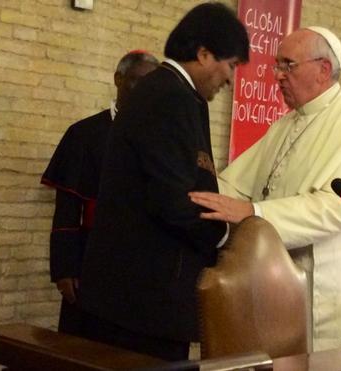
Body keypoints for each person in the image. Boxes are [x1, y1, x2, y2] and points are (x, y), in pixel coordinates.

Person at [189, 27, 341, 351]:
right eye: (276, 66)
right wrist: (196, 191)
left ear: (323, 69)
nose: (277, 76)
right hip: (288, 276)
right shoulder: (285, 125)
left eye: (287, 65)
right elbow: (239, 184)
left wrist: (255, 213)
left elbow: (335, 209)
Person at [78, 2, 249, 361]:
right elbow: (172, 200)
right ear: (203, 53)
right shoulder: (168, 97)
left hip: (146, 300)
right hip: (140, 301)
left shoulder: (180, 95)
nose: (231, 78)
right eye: (230, 64)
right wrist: (229, 237)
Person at [41, 51, 159, 337]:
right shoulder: (85, 133)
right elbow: (67, 209)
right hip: (90, 257)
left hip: (142, 264)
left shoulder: (163, 137)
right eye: (137, 81)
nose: (144, 91)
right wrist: (64, 269)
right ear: (118, 79)